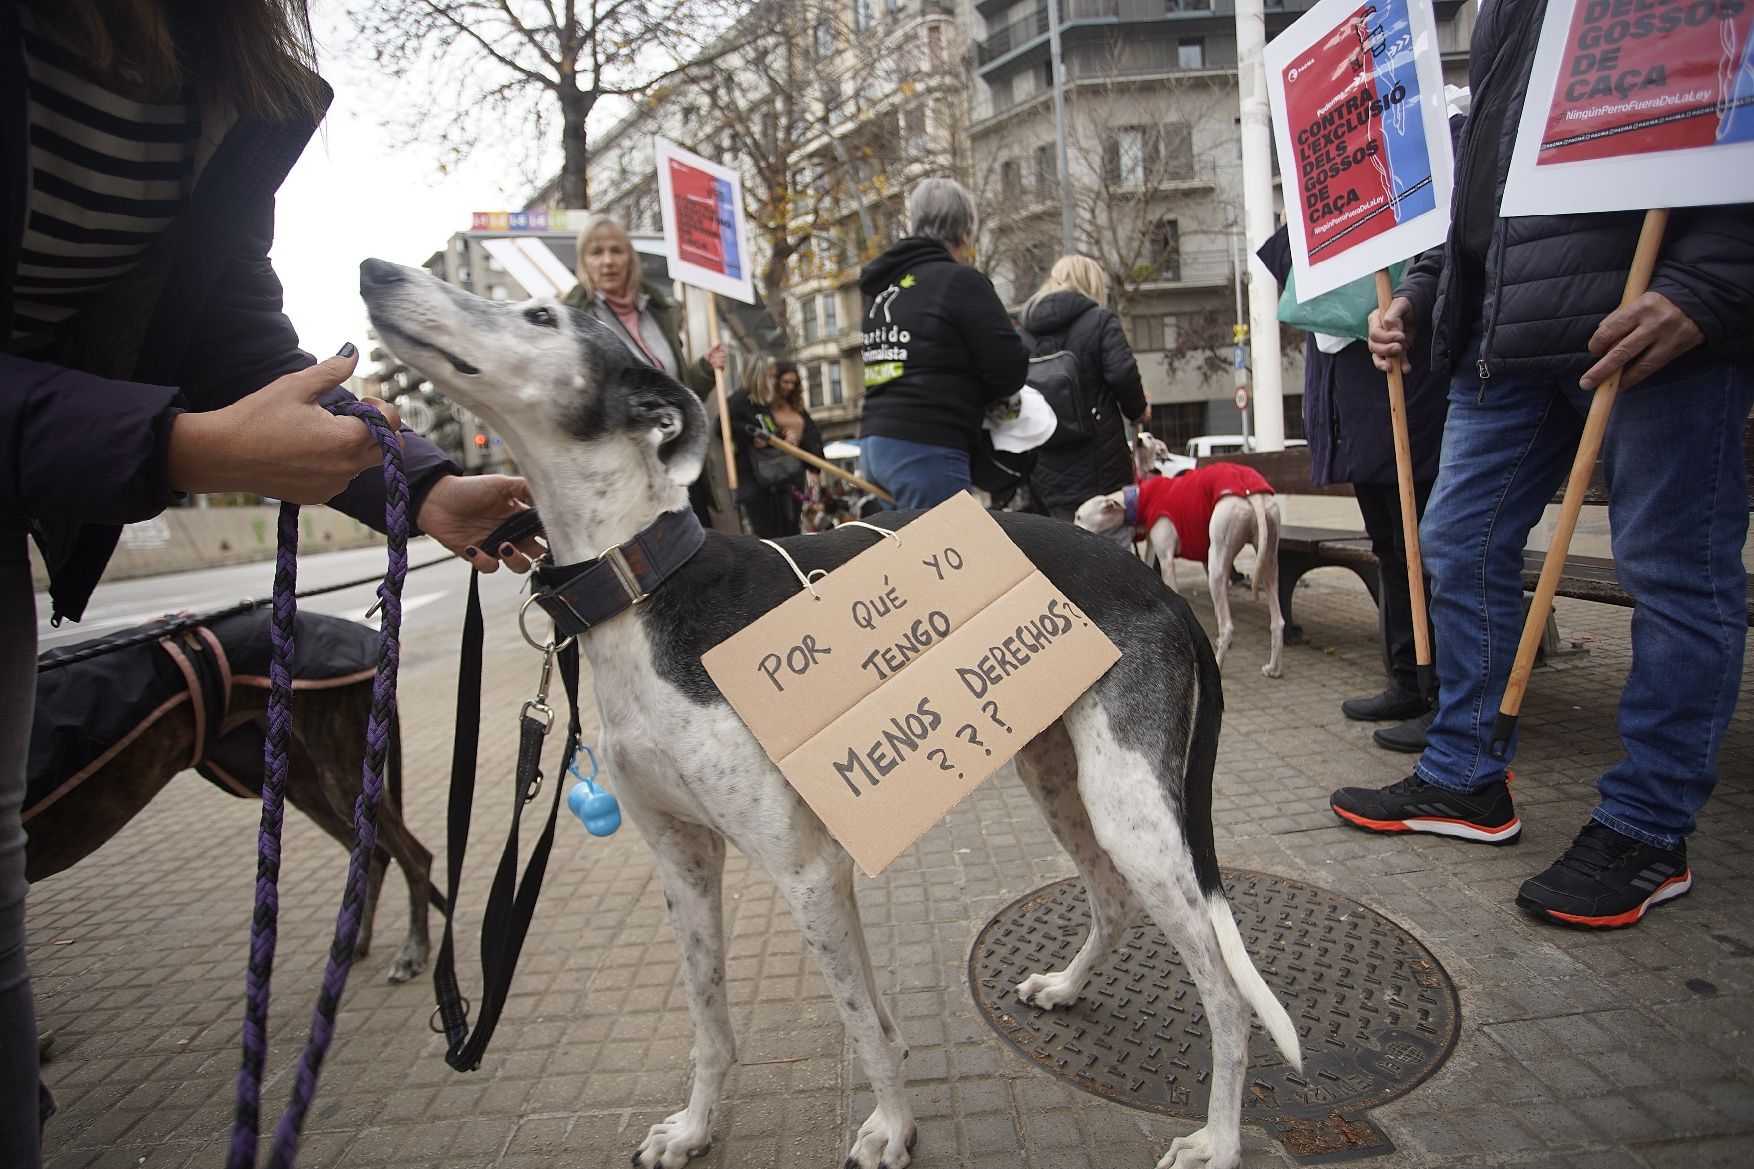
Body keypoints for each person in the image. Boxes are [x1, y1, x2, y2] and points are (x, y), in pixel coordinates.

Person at [1, 3, 541, 1161]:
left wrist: (421, 486)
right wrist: (176, 448)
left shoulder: (227, 63)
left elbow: (234, 336)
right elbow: (200, 403)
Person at [1332, 0, 1754, 929]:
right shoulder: (1504, 13)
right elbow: (1489, 176)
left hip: (1655, 311)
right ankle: (1466, 775)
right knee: (1454, 540)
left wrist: (1718, 280)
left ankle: (1648, 825)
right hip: (1508, 334)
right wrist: (1431, 292)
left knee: (1672, 570)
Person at [1257, 226, 1448, 753]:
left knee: (1423, 546)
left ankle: (1443, 693)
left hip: (1402, 378)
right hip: (1358, 392)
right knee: (1390, 542)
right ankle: (1410, 679)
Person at [857, 177, 1029, 509]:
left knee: (897, 556)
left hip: (875, 445)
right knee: (943, 556)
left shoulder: (883, 289)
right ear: (965, 232)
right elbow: (1009, 371)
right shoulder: (961, 283)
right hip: (927, 447)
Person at [562, 212, 728, 525]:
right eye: (596, 253)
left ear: (630, 258)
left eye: (616, 250)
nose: (607, 261)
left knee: (704, 558)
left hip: (680, 464)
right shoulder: (575, 322)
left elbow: (677, 392)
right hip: (631, 476)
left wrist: (705, 369)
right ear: (584, 262)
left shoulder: (659, 311)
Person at [1017, 254, 1150, 541]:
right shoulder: (1099, 321)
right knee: (1112, 558)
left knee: (1061, 557)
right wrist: (1138, 410)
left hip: (1045, 470)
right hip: (1101, 466)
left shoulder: (1023, 333)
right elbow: (1122, 375)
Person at [725, 356, 824, 538]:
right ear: (759, 376)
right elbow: (724, 427)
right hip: (756, 479)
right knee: (767, 535)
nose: (776, 383)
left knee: (787, 531)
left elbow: (773, 432)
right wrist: (753, 435)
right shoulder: (739, 402)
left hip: (778, 478)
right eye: (772, 377)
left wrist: (784, 437)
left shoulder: (763, 406)